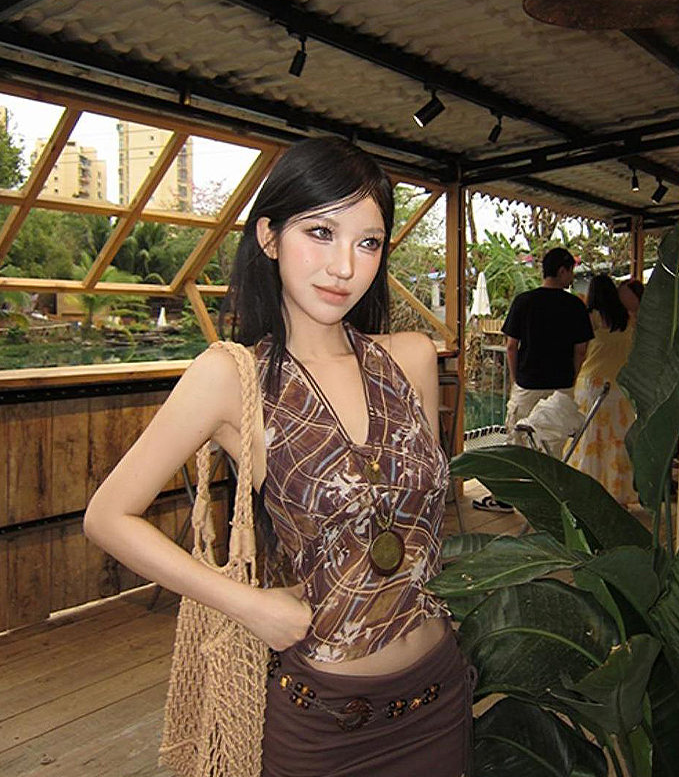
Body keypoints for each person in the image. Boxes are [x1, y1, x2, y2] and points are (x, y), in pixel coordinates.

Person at [83, 137, 473, 777]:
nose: (344, 266)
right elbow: (107, 516)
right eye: (320, 232)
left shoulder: (411, 358)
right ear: (269, 237)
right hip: (326, 722)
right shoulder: (231, 378)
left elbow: (418, 521)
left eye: (368, 242)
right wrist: (246, 603)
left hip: (438, 692)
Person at [473, 246, 593, 512]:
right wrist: (572, 376)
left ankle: (506, 499)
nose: (572, 277)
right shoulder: (574, 305)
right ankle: (551, 501)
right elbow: (581, 349)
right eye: (571, 271)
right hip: (561, 386)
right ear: (562, 271)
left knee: (516, 441)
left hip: (528, 384)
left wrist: (517, 378)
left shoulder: (524, 302)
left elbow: (511, 346)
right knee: (553, 442)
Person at [572, 274, 637, 506]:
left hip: (591, 384)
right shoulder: (627, 319)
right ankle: (617, 493)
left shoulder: (591, 318)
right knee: (616, 441)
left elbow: (580, 350)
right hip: (619, 388)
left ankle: (587, 494)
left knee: (589, 438)